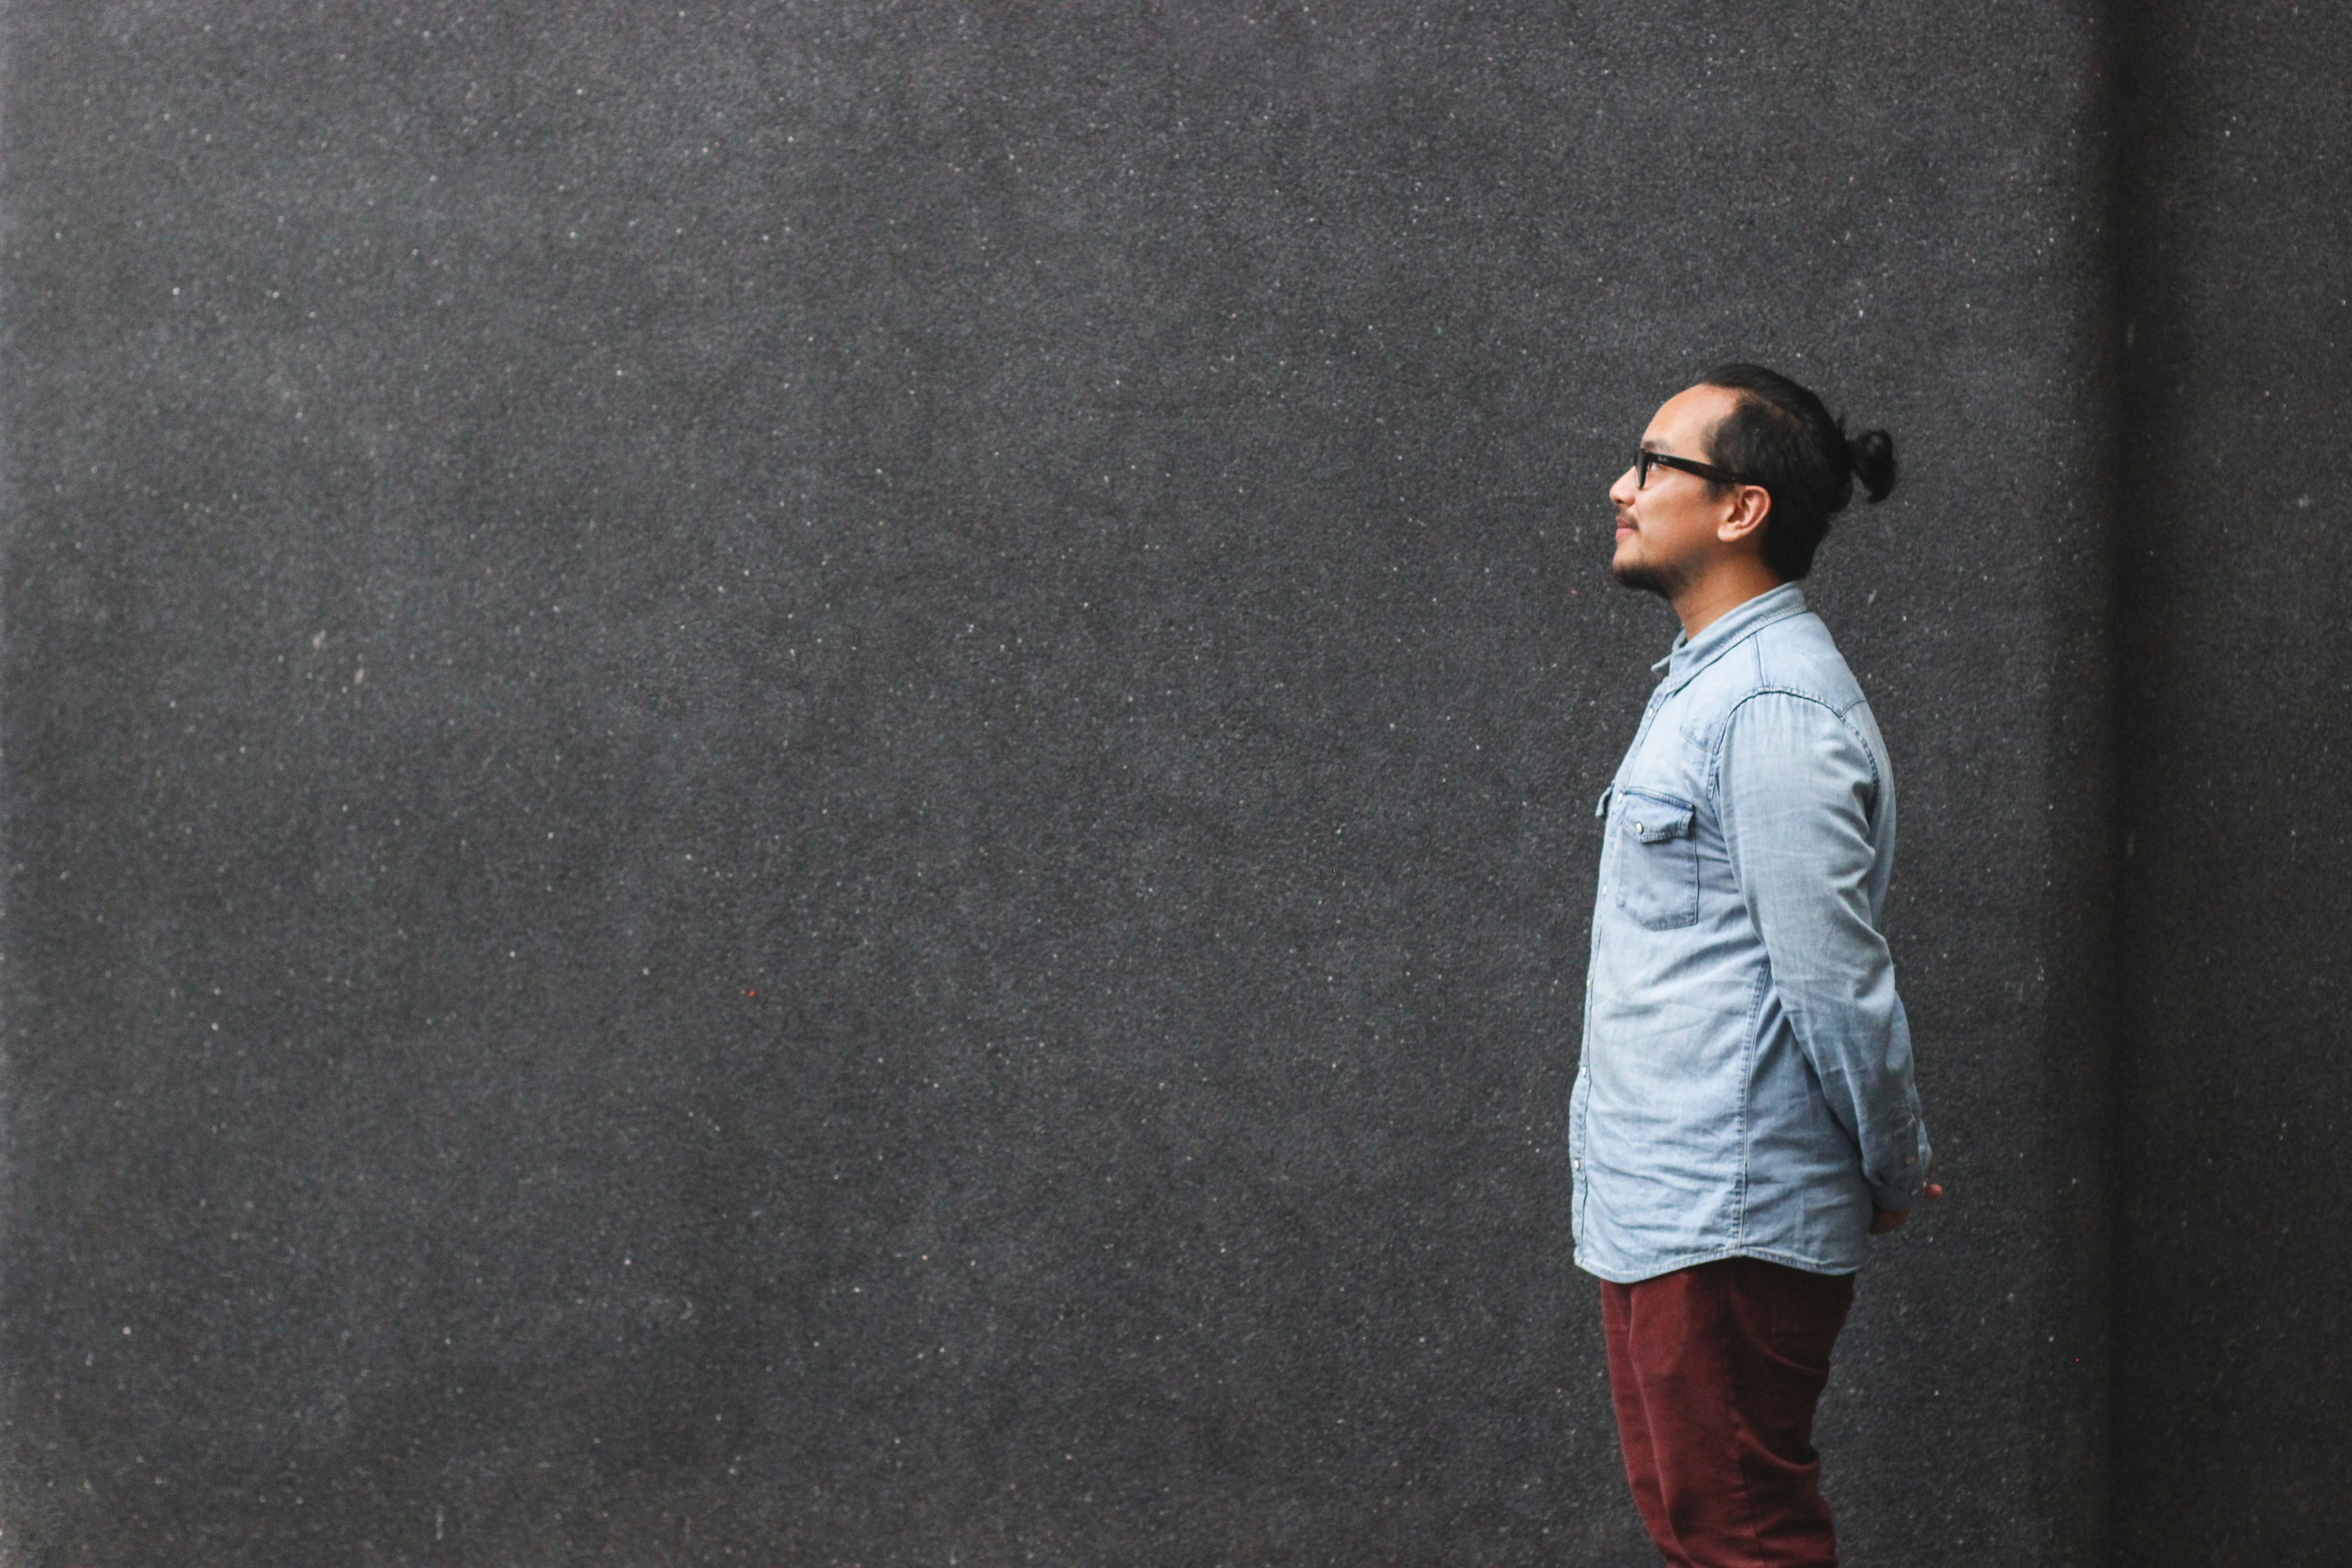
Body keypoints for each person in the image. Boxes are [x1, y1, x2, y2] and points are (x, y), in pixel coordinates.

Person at [1571, 364, 1942, 1567]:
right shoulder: (1709, 686)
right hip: (1663, 1205)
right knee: (1703, 1529)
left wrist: (1892, 1160)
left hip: (1728, 1213)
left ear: (1740, 509)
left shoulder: (1772, 704)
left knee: (1742, 1538)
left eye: (1651, 465)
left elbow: (1835, 978)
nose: (1620, 490)